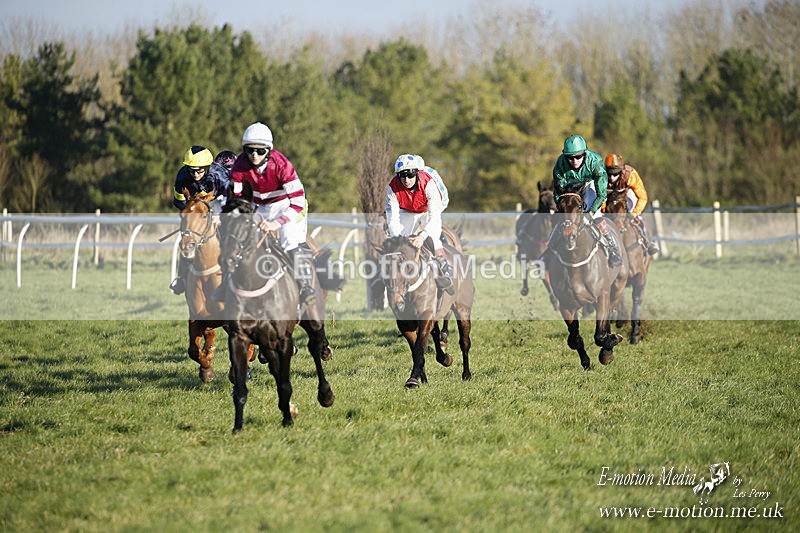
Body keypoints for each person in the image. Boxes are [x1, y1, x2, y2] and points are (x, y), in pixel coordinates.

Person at [224, 122, 316, 304]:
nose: (254, 155)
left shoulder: (282, 166)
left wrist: (276, 223)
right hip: (259, 206)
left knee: (288, 239)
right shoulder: (239, 166)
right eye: (249, 150)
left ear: (269, 150)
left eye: (260, 151)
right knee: (238, 237)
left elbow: (297, 202)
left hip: (287, 205)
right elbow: (236, 197)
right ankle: (227, 285)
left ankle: (305, 286)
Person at [385, 153, 454, 295]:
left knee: (433, 237)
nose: (406, 179)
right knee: (399, 242)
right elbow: (393, 219)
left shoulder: (428, 183)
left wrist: (422, 236)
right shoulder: (392, 188)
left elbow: (434, 216)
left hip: (429, 210)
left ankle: (444, 270)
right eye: (402, 176)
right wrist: (399, 239)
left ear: (417, 173)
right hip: (407, 210)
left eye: (410, 175)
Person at [551, 134, 622, 267]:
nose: (574, 161)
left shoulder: (595, 162)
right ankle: (550, 247)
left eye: (578, 156)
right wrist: (561, 208)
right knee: (563, 217)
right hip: (569, 189)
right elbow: (557, 192)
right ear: (565, 156)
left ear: (584, 153)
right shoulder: (560, 164)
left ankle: (612, 248)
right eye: (570, 158)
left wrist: (591, 212)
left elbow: (601, 194)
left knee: (594, 214)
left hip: (589, 184)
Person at [169, 145, 230, 295]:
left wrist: (219, 215)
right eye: (192, 170)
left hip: (220, 201)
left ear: (207, 167)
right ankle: (182, 277)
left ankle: (233, 272)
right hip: (196, 205)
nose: (195, 174)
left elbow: (232, 199)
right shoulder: (182, 176)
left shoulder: (220, 175)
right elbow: (179, 202)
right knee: (188, 237)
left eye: (200, 170)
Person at [602, 153, 660, 255]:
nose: (611, 177)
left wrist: (634, 213)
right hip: (608, 195)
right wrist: (603, 210)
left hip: (626, 193)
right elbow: (600, 196)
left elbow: (642, 197)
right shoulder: (601, 175)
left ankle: (646, 241)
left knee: (632, 206)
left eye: (615, 174)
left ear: (621, 171)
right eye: (609, 174)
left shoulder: (630, 174)